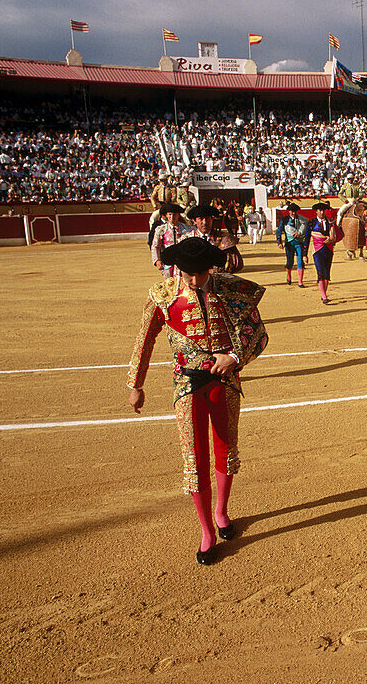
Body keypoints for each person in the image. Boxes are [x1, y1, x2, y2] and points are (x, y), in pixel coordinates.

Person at [127, 237, 268, 565]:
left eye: (200, 273)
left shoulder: (229, 288)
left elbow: (258, 333)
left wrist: (234, 357)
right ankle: (206, 532)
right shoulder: (162, 294)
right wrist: (136, 383)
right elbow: (144, 339)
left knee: (226, 448)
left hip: (225, 381)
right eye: (188, 274)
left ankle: (221, 512)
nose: (193, 280)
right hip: (187, 384)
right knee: (194, 459)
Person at [188, 204, 244, 274]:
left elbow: (234, 264)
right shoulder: (187, 239)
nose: (205, 222)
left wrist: (209, 271)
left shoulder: (224, 239)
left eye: (207, 218)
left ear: (212, 219)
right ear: (194, 221)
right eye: (200, 219)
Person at [308, 202, 340, 304]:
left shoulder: (330, 222)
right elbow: (307, 238)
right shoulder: (312, 222)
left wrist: (331, 239)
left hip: (328, 250)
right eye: (320, 210)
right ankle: (324, 295)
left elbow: (335, 235)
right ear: (316, 211)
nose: (322, 212)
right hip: (317, 251)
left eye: (323, 210)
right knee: (320, 272)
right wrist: (304, 254)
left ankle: (324, 293)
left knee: (327, 273)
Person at [151, 202, 194, 277]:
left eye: (174, 214)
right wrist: (157, 260)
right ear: (166, 215)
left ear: (178, 215)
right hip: (167, 263)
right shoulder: (161, 229)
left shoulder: (187, 229)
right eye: (170, 214)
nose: (172, 217)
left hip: (183, 262)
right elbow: (155, 246)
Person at [276, 203, 310, 286]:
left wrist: (300, 232)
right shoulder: (284, 220)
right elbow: (279, 231)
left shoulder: (302, 220)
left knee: (300, 261)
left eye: (295, 211)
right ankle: (289, 275)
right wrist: (279, 242)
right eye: (292, 211)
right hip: (289, 243)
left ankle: (300, 282)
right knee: (290, 262)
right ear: (289, 211)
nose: (294, 213)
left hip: (299, 242)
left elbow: (306, 228)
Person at [336, 179, 367, 260]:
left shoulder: (356, 186)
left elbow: (361, 192)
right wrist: (345, 200)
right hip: (349, 202)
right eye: (349, 179)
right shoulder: (345, 186)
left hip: (357, 201)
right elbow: (340, 194)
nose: (350, 180)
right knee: (340, 212)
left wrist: (359, 197)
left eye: (351, 179)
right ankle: (338, 225)